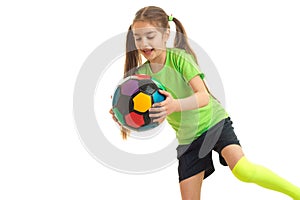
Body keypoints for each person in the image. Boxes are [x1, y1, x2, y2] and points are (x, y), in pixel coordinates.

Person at [110, 6, 300, 200]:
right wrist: (123, 117)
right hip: (188, 139)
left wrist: (175, 105)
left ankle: (297, 193)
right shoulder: (141, 77)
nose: (144, 43)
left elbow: (203, 96)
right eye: (138, 37)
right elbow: (145, 113)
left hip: (214, 123)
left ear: (166, 34)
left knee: (243, 170)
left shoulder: (180, 59)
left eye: (150, 36)